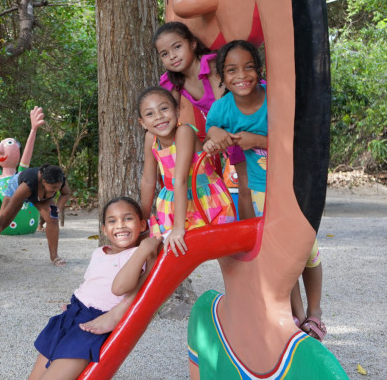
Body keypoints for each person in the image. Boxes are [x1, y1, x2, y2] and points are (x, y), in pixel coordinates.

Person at [203, 40, 326, 341]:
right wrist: (215, 135)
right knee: (282, 254)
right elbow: (212, 129)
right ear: (222, 76)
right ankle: (296, 317)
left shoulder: (276, 99)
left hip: (294, 190)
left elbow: (301, 143)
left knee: (307, 251)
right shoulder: (223, 107)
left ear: (259, 70)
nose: (241, 75)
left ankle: (316, 312)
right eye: (231, 70)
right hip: (260, 191)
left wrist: (257, 141)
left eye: (248, 67)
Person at [28, 197, 162, 380]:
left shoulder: (136, 255)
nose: (120, 225)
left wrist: (144, 249)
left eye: (128, 219)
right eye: (112, 221)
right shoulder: (99, 252)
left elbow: (120, 287)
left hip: (92, 324)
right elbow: (92, 283)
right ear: (104, 229)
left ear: (142, 225)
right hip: (72, 315)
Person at [154, 22, 254, 220]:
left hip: (249, 118)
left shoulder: (210, 65)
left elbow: (222, 108)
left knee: (255, 185)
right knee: (244, 187)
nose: (172, 56)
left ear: (192, 44)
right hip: (226, 129)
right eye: (164, 53)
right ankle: (249, 240)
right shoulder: (173, 81)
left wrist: (210, 138)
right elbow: (169, 115)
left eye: (177, 47)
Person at [138, 86, 235, 257]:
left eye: (164, 108)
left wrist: (178, 227)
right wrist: (144, 220)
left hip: (204, 201)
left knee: (223, 253)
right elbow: (148, 180)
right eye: (150, 114)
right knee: (162, 249)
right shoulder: (150, 138)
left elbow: (181, 179)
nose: (159, 116)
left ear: (176, 110)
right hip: (174, 202)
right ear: (143, 123)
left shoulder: (184, 131)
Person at [0, 164, 72, 265]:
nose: (56, 190)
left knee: (53, 219)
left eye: (58, 187)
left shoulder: (60, 179)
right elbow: (12, 206)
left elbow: (65, 193)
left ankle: (54, 257)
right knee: (1, 222)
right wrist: (3, 219)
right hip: (17, 188)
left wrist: (58, 207)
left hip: (41, 196)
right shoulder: (26, 187)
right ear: (44, 182)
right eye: (53, 188)